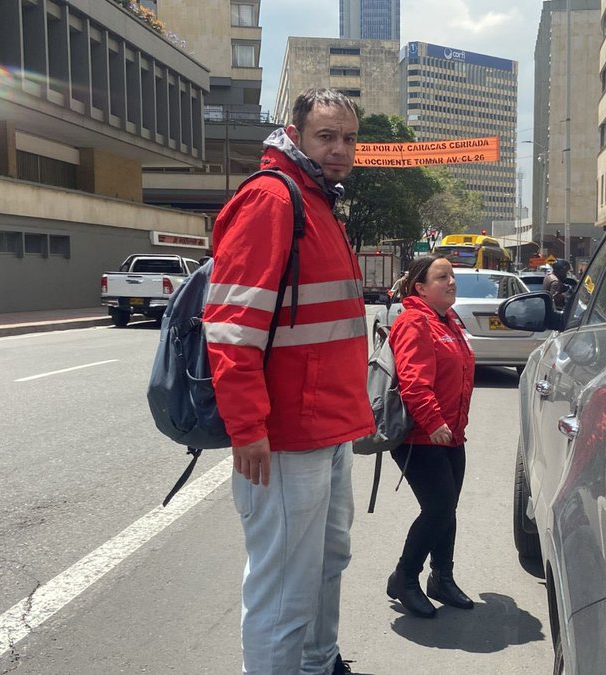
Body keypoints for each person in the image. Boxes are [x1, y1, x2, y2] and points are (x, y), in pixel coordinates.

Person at [203, 89, 372, 675]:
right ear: (294, 134)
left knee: (327, 562)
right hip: (281, 438)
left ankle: (319, 666)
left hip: (327, 429)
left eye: (349, 138)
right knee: (282, 593)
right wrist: (247, 428)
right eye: (326, 136)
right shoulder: (273, 201)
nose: (340, 150)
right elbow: (229, 328)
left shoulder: (317, 202)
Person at [384, 254, 476, 618]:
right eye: (442, 277)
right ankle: (405, 578)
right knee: (437, 508)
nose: (452, 281)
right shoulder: (414, 322)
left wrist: (451, 426)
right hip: (421, 438)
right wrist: (434, 421)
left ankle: (442, 578)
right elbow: (413, 382)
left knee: (447, 509)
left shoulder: (448, 320)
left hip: (451, 435)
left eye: (452, 276)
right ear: (420, 287)